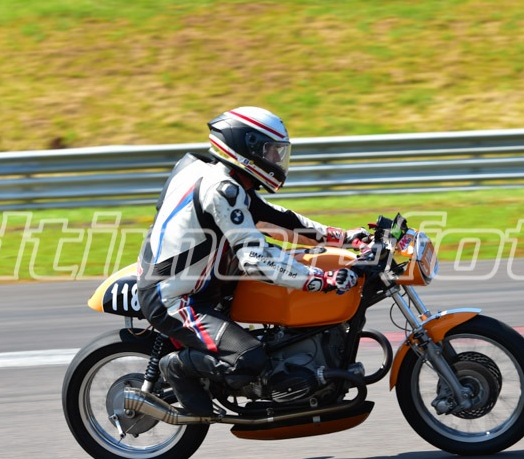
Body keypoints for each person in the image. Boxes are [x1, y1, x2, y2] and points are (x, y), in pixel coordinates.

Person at [136, 107, 369, 416]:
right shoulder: (221, 189)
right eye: (270, 151)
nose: (276, 159)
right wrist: (321, 279)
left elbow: (280, 219)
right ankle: (178, 367)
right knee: (249, 358)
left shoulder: (219, 177)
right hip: (177, 299)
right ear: (246, 148)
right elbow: (256, 259)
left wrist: (345, 237)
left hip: (205, 282)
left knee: (282, 286)